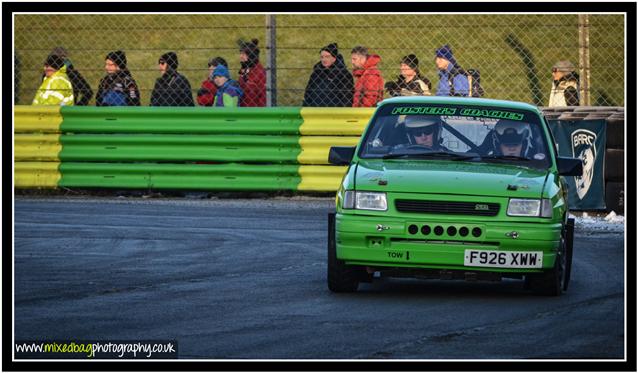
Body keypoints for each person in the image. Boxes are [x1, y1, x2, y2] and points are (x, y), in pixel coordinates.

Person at [302, 43, 354, 107]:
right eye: (322, 57)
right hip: (314, 112)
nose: (324, 60)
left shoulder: (344, 75)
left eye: (327, 56)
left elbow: (347, 98)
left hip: (334, 113)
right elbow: (308, 93)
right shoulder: (316, 73)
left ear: (334, 58)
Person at [237, 39, 266, 106]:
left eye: (243, 54)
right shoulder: (244, 69)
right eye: (240, 53)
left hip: (255, 113)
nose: (240, 56)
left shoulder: (260, 73)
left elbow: (263, 98)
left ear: (251, 55)